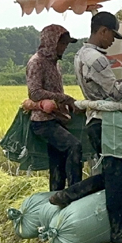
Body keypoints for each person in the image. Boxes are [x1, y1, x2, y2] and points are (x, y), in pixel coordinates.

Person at [69, 11, 122, 243]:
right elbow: (116, 92)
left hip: (93, 121)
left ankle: (69, 194)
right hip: (106, 122)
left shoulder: (81, 55)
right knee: (116, 177)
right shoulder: (98, 60)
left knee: (111, 174)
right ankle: (120, 232)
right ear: (102, 31)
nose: (113, 40)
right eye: (112, 35)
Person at [26, 24, 79, 193]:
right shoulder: (37, 63)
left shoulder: (55, 63)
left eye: (65, 45)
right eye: (62, 44)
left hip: (57, 118)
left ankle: (56, 194)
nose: (64, 48)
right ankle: (74, 192)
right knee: (74, 146)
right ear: (51, 42)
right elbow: (34, 93)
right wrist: (65, 99)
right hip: (43, 121)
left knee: (58, 162)